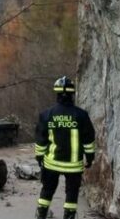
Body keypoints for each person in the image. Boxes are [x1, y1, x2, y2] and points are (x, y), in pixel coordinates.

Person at [34, 76, 96, 219]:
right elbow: (88, 139)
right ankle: (69, 216)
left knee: (47, 190)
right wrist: (90, 157)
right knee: (72, 193)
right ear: (72, 94)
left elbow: (41, 140)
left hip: (51, 163)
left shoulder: (46, 114)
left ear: (57, 93)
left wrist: (39, 157)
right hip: (73, 165)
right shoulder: (81, 115)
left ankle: (41, 214)